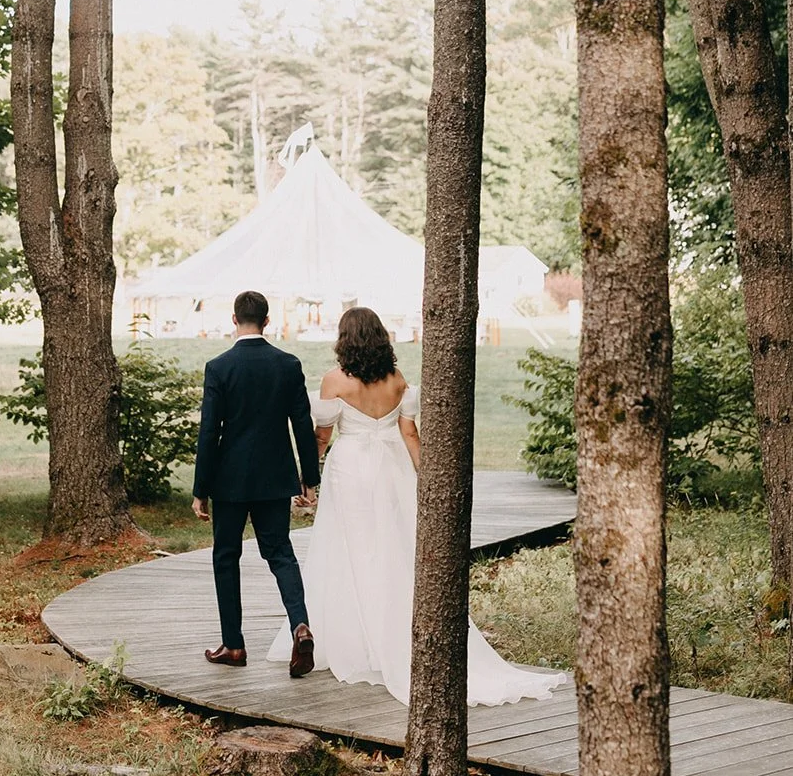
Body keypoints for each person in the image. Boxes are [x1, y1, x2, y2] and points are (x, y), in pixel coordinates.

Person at [268, 306, 568, 707]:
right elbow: (410, 434)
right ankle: (386, 632)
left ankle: (357, 642)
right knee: (393, 550)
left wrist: (308, 477)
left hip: (351, 470)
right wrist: (426, 479)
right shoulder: (397, 380)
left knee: (349, 551)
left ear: (344, 339)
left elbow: (321, 436)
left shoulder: (335, 381)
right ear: (380, 338)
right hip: (392, 468)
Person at [192, 288, 321, 677]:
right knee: (281, 553)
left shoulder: (219, 367)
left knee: (225, 557)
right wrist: (309, 479)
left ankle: (233, 645)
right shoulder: (288, 364)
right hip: (274, 478)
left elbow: (209, 431)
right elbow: (302, 424)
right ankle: (300, 623)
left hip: (229, 481)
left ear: (234, 320)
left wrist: (200, 490)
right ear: (267, 321)